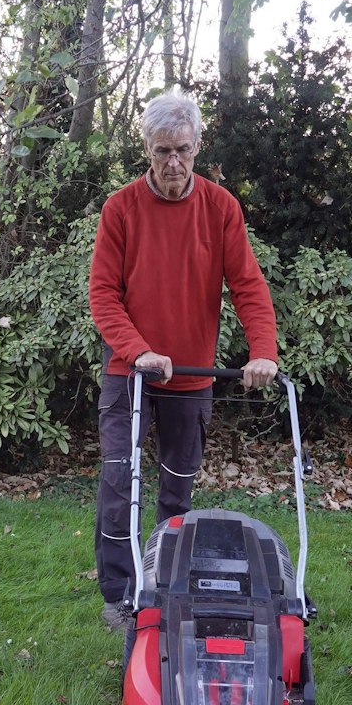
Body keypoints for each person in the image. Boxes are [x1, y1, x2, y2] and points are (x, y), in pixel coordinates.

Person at [87, 90, 279, 631]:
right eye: (162, 151)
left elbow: (248, 286)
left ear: (197, 147)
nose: (173, 162)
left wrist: (263, 352)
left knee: (177, 488)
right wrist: (139, 351)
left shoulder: (221, 208)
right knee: (120, 482)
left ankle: (168, 587)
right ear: (147, 148)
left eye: (183, 151)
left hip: (192, 375)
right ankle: (120, 596)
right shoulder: (121, 208)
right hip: (131, 372)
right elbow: (103, 295)